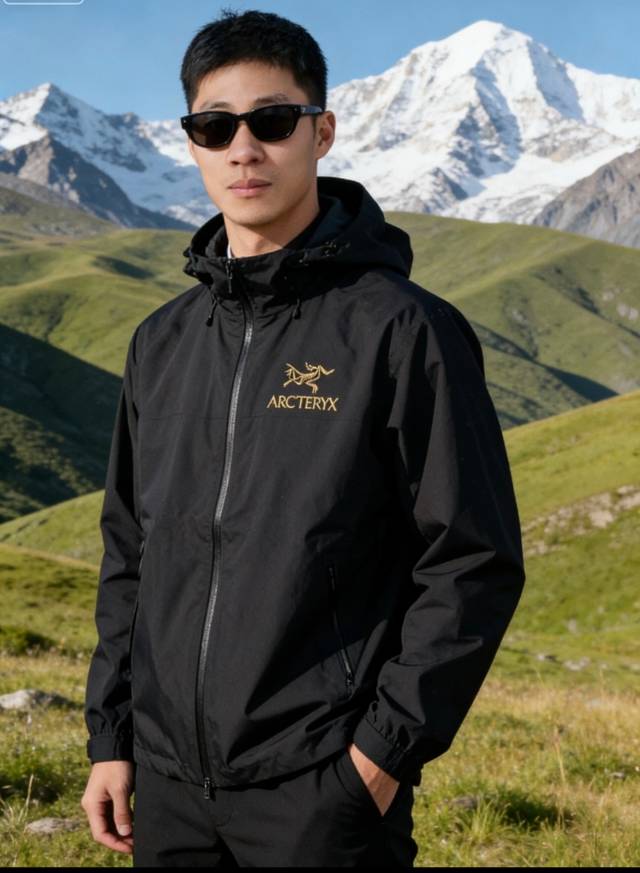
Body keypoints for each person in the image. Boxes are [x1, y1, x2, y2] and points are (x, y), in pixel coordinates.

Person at [81, 7, 526, 868]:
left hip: (322, 793)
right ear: (192, 143)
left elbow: (472, 558)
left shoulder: (404, 330)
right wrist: (112, 736)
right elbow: (130, 552)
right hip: (166, 793)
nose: (243, 149)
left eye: (273, 121)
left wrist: (377, 761)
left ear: (321, 132)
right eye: (215, 127)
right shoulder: (160, 342)